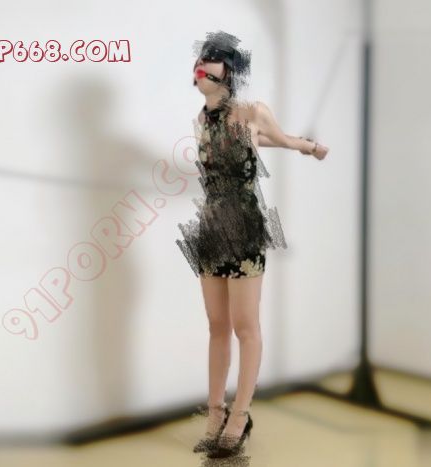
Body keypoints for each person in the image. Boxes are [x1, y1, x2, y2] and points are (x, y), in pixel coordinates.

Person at [175, 30, 328, 459]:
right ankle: (215, 414)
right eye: (199, 60)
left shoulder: (252, 110)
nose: (201, 66)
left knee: (245, 326)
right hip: (211, 229)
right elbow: (255, 142)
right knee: (216, 326)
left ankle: (239, 416)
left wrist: (308, 146)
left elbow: (278, 138)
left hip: (243, 227)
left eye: (211, 59)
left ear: (230, 70)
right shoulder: (202, 120)